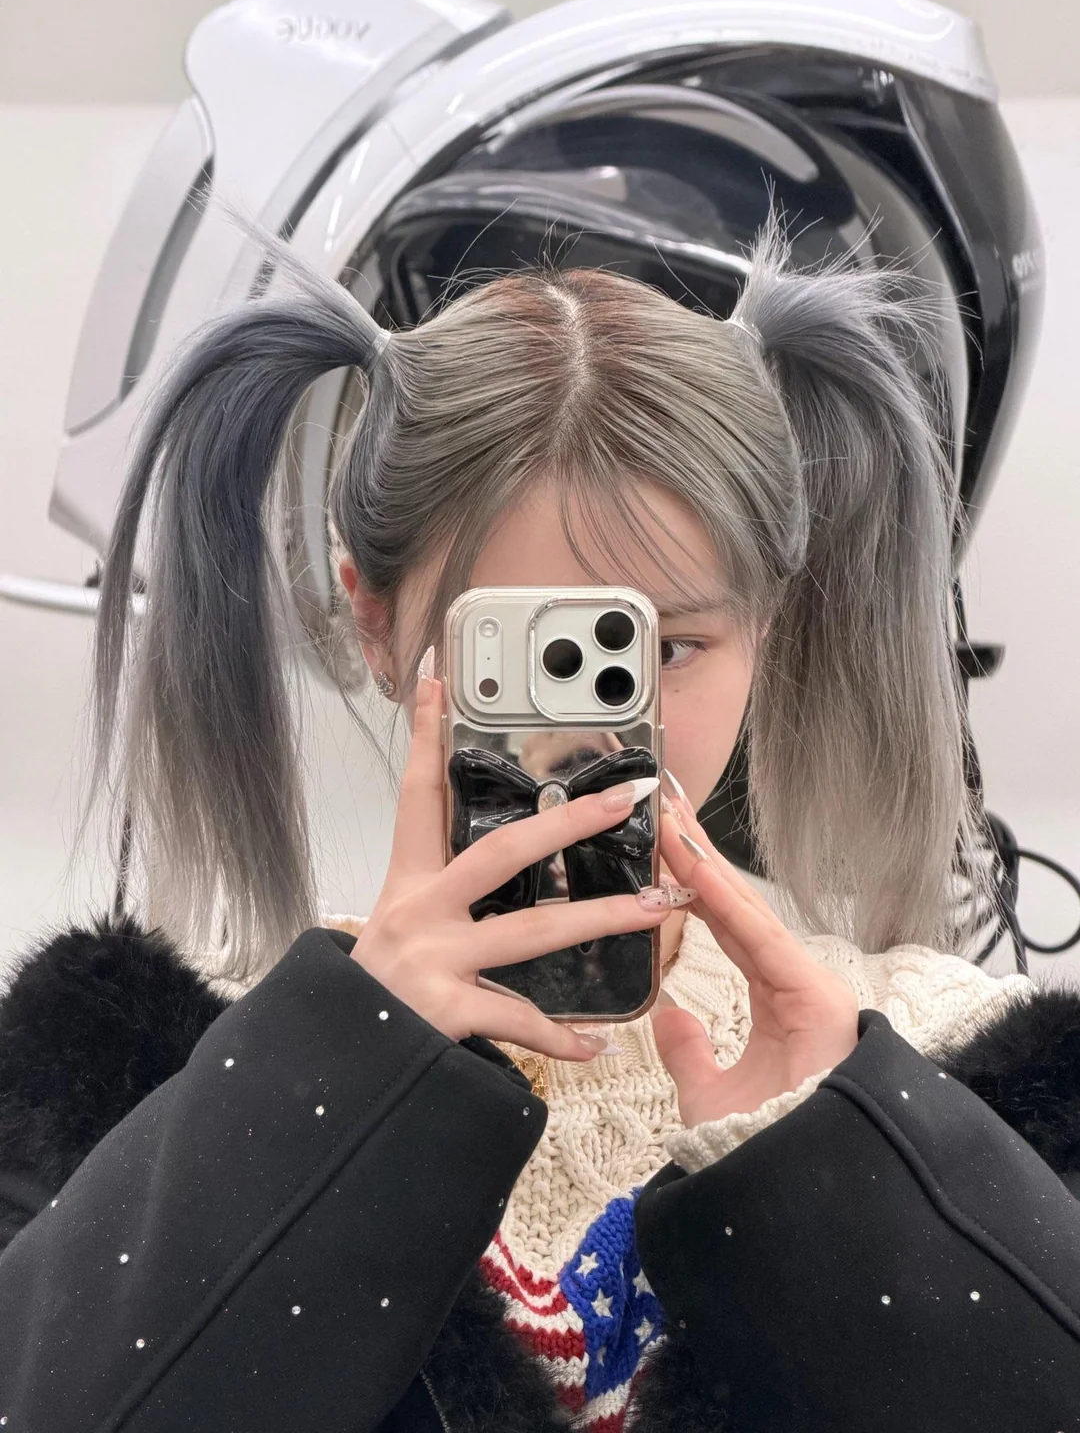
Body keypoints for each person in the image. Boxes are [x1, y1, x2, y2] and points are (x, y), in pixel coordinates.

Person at [2, 210, 1080, 1432]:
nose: (589, 737)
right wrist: (340, 1074)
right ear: (372, 621)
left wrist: (860, 1166)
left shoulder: (959, 1052)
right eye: (520, 652)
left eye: (664, 647)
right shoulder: (150, 1063)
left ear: (769, 624)